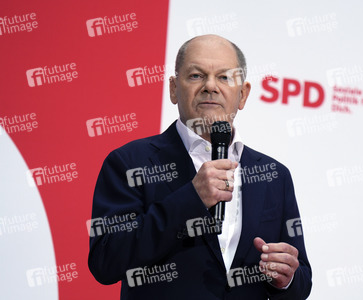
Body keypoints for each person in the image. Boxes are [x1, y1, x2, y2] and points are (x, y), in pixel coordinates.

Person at [88, 34, 312, 299]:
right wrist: (190, 198)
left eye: (224, 77)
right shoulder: (128, 163)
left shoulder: (274, 175)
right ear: (173, 88)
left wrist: (285, 279)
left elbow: (302, 282)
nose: (210, 86)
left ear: (243, 94)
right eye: (196, 76)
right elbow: (105, 261)